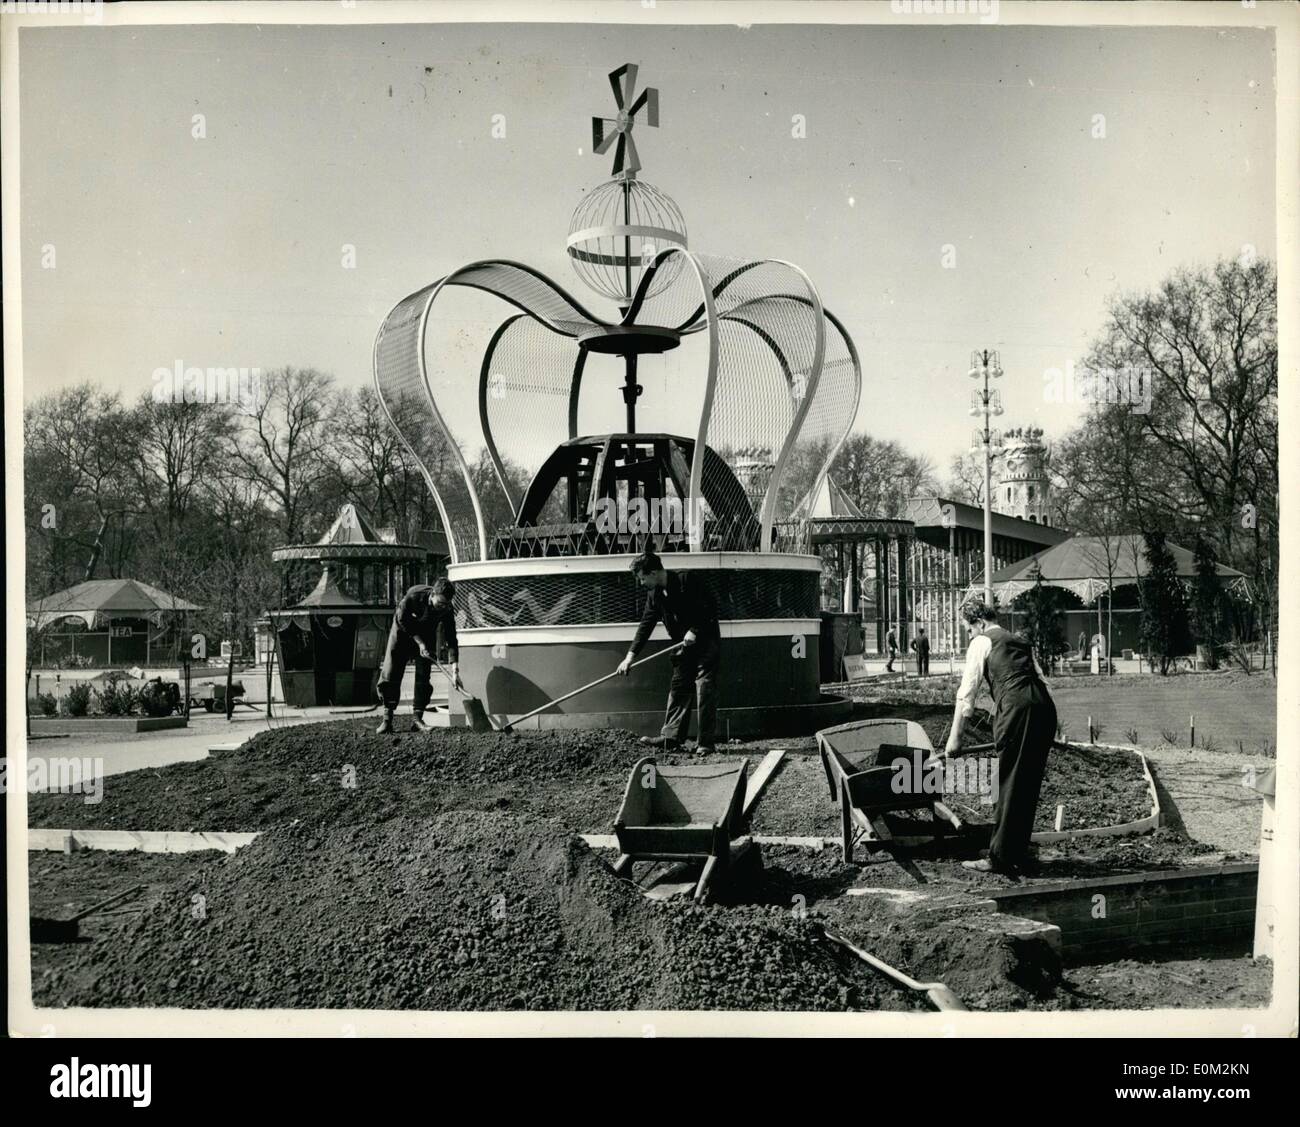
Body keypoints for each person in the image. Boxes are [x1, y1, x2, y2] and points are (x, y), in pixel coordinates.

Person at [940, 598, 1057, 875]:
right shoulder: (1018, 640)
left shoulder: (982, 641)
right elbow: (1041, 681)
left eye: (968, 629)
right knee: (1025, 783)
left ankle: (1000, 858)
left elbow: (966, 693)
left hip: (1019, 711)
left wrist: (954, 739)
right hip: (1043, 710)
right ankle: (1014, 850)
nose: (968, 635)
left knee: (1007, 782)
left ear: (979, 623)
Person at [616, 550, 721, 754]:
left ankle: (706, 743)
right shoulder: (654, 595)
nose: (641, 583)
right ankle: (671, 738)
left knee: (704, 688)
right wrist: (629, 657)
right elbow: (645, 625)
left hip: (706, 643)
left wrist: (694, 630)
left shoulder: (687, 579)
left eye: (642, 578)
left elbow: (711, 606)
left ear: (654, 572)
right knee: (679, 686)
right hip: (683, 647)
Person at [375, 576, 460, 734]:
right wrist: (419, 643)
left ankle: (417, 720)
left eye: (446, 604)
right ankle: (387, 720)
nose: (442, 607)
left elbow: (451, 638)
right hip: (402, 632)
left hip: (426, 634)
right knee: (391, 671)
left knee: (423, 676)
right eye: (440, 603)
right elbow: (402, 619)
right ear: (432, 594)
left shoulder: (447, 609)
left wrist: (455, 670)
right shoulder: (414, 596)